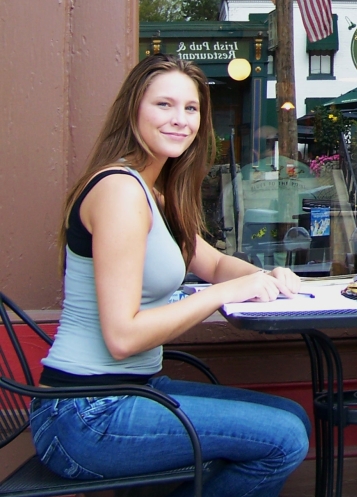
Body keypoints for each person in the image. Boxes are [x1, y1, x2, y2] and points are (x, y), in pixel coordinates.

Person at [30, 54, 311, 497]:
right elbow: (123, 336)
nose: (180, 120)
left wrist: (266, 275)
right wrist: (226, 292)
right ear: (133, 110)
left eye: (191, 108)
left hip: (131, 392)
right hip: (85, 414)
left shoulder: (156, 194)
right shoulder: (120, 191)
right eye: (164, 105)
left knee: (292, 418)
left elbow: (214, 264)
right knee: (283, 438)